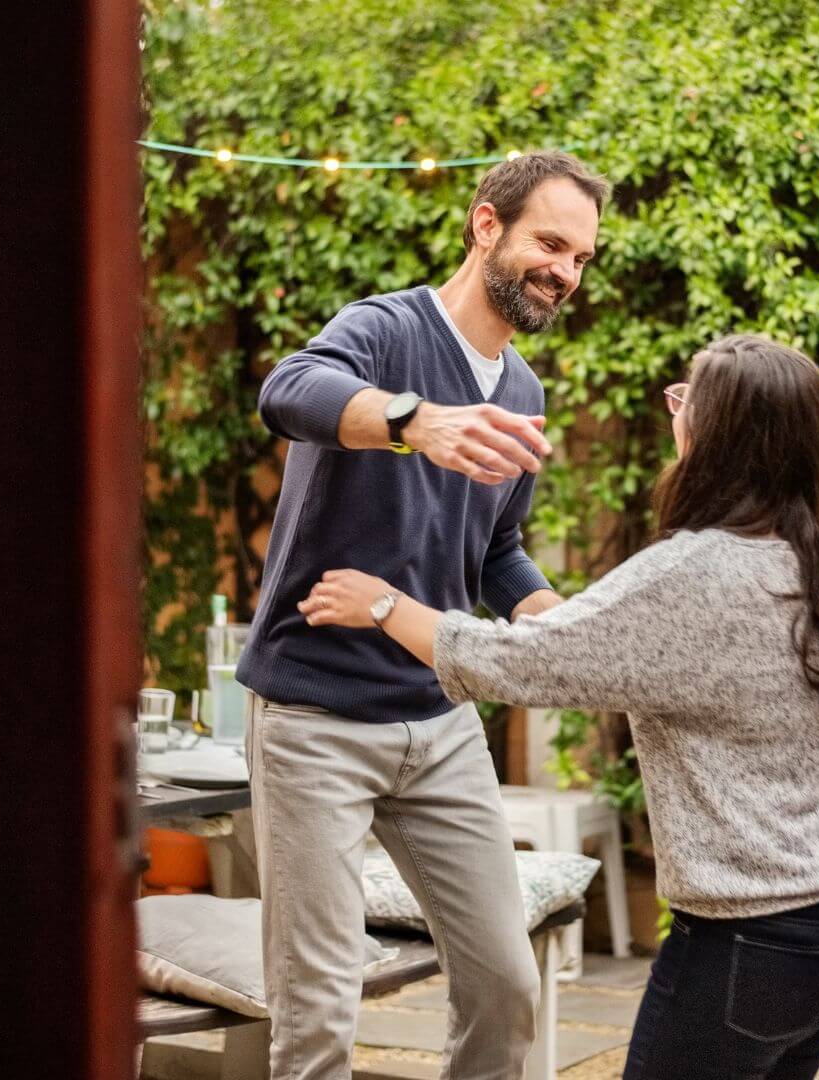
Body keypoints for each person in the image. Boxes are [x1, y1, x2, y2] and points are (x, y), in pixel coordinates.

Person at [303, 334, 819, 1080]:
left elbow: (517, 661)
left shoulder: (689, 577)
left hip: (754, 946)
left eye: (688, 402)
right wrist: (789, 410)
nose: (675, 413)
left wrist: (384, 605)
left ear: (719, 438)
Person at [234, 150, 610, 1080]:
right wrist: (416, 421)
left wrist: (552, 617)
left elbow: (495, 548)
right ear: (487, 225)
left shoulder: (522, 392)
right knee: (319, 1015)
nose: (564, 272)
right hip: (314, 720)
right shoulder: (386, 329)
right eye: (549, 244)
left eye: (580, 259)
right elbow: (288, 391)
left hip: (439, 723)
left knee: (505, 984)